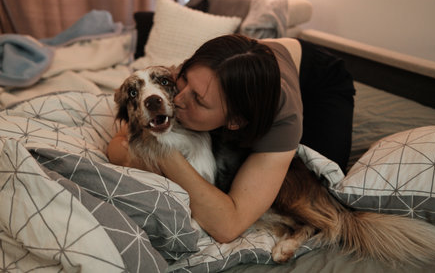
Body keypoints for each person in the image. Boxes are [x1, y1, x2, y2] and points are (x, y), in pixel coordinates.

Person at [107, 34, 355, 243]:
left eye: (199, 100)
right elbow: (120, 143)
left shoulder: (284, 121)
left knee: (320, 178)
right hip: (254, 66)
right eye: (184, 83)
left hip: (319, 79)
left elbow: (227, 226)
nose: (178, 100)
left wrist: (165, 156)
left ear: (233, 121)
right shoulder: (196, 77)